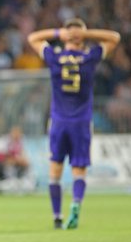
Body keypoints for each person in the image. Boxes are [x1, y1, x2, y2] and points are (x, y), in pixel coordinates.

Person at [28, 18, 120, 229]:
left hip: (59, 121)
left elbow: (33, 38)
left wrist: (60, 33)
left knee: (55, 170)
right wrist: (85, 34)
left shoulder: (55, 57)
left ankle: (57, 216)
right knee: (79, 169)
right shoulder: (89, 57)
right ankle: (76, 205)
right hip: (81, 121)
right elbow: (115, 38)